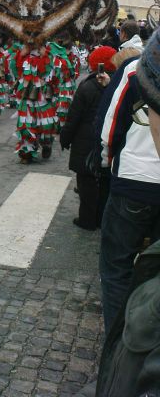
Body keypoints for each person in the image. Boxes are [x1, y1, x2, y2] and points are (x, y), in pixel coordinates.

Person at [96, 47, 160, 334]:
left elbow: (109, 126)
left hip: (134, 179)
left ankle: (117, 341)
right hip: (137, 176)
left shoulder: (138, 67)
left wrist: (109, 161)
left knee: (117, 267)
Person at [60, 46, 117, 230]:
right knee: (104, 184)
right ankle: (100, 218)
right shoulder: (116, 84)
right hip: (106, 142)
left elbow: (73, 117)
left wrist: (65, 138)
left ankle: (87, 220)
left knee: (86, 184)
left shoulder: (86, 86)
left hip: (86, 144)